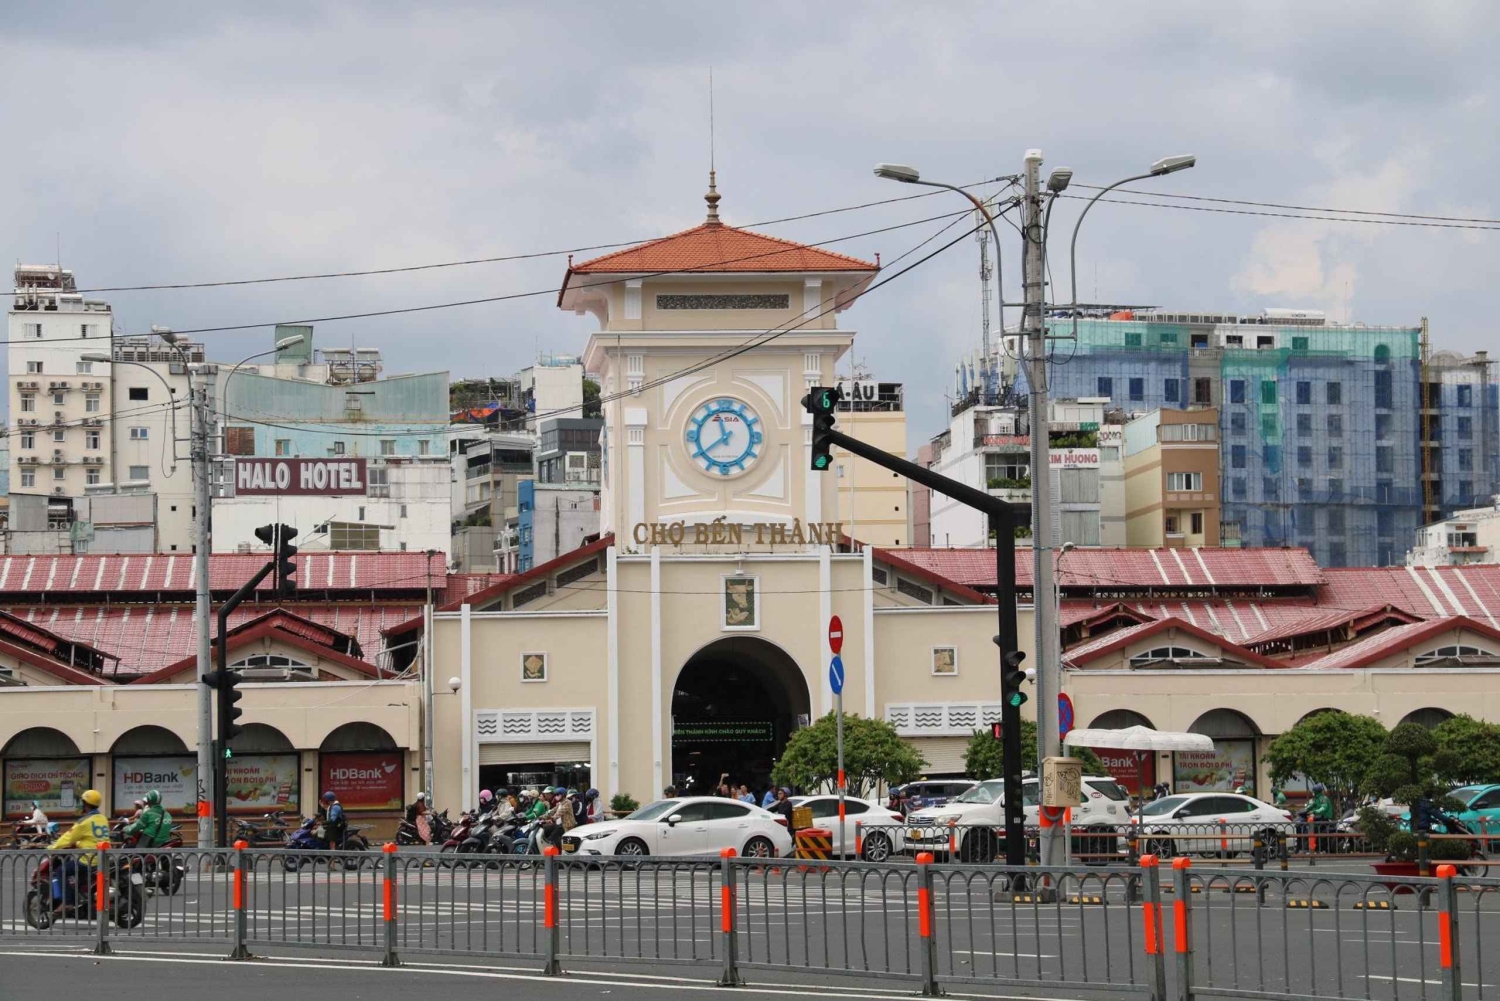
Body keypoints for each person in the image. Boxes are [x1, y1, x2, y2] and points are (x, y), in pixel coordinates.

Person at [48, 789, 109, 904]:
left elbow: (68, 838)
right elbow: (93, 838)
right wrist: (79, 844)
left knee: (61, 871)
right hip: (103, 858)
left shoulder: (84, 821)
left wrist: (52, 848)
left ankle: (68, 902)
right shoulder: (103, 819)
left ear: (85, 804)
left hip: (89, 860)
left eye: (82, 802)